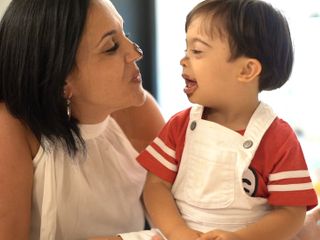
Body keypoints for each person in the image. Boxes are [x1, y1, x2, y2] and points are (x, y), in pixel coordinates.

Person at [137, 0, 318, 240]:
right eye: (186, 50)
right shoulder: (179, 126)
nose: (184, 60)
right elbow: (154, 187)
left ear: (246, 70)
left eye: (197, 51)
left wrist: (242, 237)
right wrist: (179, 232)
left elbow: (291, 213)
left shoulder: (278, 138)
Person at [0, 0, 165, 239]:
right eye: (111, 47)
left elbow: (181, 215)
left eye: (125, 33)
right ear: (62, 82)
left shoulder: (138, 110)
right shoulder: (10, 128)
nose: (135, 52)